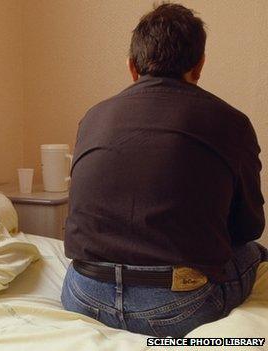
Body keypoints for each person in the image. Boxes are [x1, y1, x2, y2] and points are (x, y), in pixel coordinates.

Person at [61, 3, 267, 338]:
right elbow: (249, 226)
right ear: (198, 66)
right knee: (253, 253)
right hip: (177, 305)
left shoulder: (93, 117)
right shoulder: (231, 122)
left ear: (131, 67)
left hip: (83, 293)